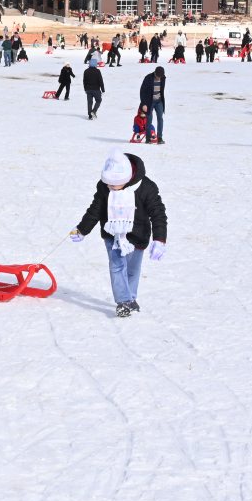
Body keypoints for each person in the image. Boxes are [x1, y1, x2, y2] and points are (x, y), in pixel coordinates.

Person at [70, 149, 168, 318]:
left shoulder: (146, 188)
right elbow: (95, 209)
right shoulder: (104, 187)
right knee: (117, 267)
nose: (109, 187)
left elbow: (158, 213)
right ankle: (123, 301)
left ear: (125, 179)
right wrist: (82, 229)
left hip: (138, 234)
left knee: (133, 269)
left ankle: (131, 297)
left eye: (113, 185)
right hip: (112, 234)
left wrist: (159, 239)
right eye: (107, 183)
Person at [138, 66, 167, 143]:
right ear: (155, 73)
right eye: (158, 76)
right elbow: (142, 91)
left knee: (160, 118)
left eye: (160, 77)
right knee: (149, 120)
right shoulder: (148, 78)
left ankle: (160, 138)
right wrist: (144, 104)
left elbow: (161, 90)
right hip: (149, 102)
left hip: (159, 101)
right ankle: (148, 138)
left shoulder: (163, 78)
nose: (159, 78)